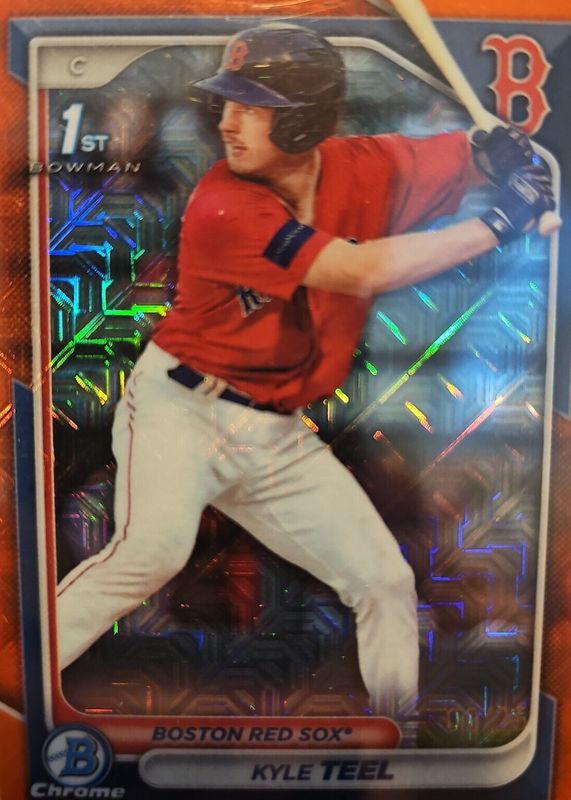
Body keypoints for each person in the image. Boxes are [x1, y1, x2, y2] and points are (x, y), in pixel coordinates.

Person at [56, 23, 556, 719]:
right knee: (151, 555)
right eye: (228, 103)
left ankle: (398, 736)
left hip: (274, 436)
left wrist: (499, 157)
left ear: (302, 121)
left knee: (383, 580)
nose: (227, 122)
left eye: (252, 106)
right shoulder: (224, 202)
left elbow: (466, 159)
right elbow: (360, 269)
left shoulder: (369, 166)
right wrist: (500, 223)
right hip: (179, 413)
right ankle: (24, 679)